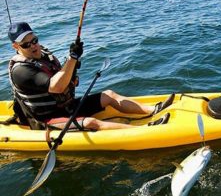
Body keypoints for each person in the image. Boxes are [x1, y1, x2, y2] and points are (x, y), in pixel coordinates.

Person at [8, 22, 174, 131]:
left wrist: (72, 72)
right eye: (26, 44)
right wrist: (72, 58)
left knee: (108, 95)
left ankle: (154, 110)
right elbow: (56, 86)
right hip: (47, 119)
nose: (33, 46)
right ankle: (146, 130)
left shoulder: (43, 55)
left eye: (34, 40)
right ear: (16, 46)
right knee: (90, 123)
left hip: (67, 106)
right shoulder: (20, 71)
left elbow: (65, 81)